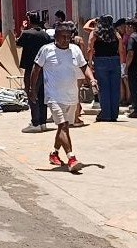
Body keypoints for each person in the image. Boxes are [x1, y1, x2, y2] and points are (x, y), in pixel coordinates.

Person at [30, 22, 97, 173]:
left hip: (71, 95)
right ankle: (71, 158)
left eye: (69, 37)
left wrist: (92, 79)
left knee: (63, 126)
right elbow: (36, 69)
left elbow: (84, 66)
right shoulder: (46, 50)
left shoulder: (75, 50)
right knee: (63, 126)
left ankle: (54, 153)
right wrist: (32, 89)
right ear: (56, 37)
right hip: (53, 96)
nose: (66, 40)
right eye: (63, 37)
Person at [17, 11, 53, 133]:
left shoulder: (26, 33)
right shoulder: (45, 35)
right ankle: (43, 122)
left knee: (32, 92)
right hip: (44, 68)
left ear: (29, 20)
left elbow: (17, 44)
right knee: (42, 95)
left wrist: (23, 29)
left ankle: (35, 122)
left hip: (30, 67)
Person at [87, 16, 122, 122]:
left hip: (100, 61)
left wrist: (89, 61)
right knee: (115, 88)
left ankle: (106, 114)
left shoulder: (95, 33)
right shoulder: (115, 34)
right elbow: (121, 49)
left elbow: (90, 48)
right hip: (115, 60)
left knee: (104, 88)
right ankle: (114, 114)